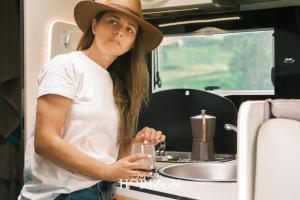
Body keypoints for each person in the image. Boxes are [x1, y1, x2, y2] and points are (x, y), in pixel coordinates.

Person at [19, 0, 164, 199]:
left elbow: (107, 158)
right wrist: (107, 172)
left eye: (129, 29)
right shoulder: (66, 65)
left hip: (101, 191)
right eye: (113, 22)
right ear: (95, 26)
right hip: (61, 195)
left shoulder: (114, 84)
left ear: (132, 44)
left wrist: (133, 144)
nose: (120, 32)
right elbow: (45, 141)